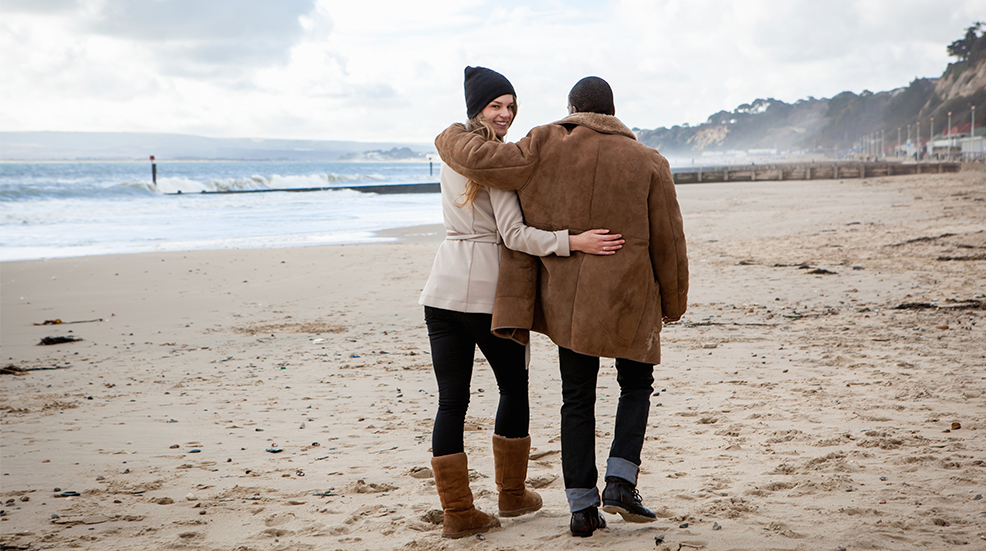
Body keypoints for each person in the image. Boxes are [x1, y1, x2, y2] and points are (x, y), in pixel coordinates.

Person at [434, 76, 689, 537]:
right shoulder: (651, 161)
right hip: (632, 294)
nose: (506, 114)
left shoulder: (545, 143)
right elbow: (669, 239)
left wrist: (449, 134)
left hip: (570, 299)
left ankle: (581, 508)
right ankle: (620, 481)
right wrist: (674, 302)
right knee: (636, 384)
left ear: (572, 109)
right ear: (613, 112)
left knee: (577, 396)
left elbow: (485, 159)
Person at [419, 67, 625, 539]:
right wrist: (574, 241)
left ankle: (457, 514)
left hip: (441, 288)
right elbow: (515, 235)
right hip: (493, 295)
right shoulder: (498, 164)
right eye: (497, 106)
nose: (506, 115)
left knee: (451, 401)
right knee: (513, 390)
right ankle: (511, 496)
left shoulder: (456, 154)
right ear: (478, 108)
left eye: (511, 106)